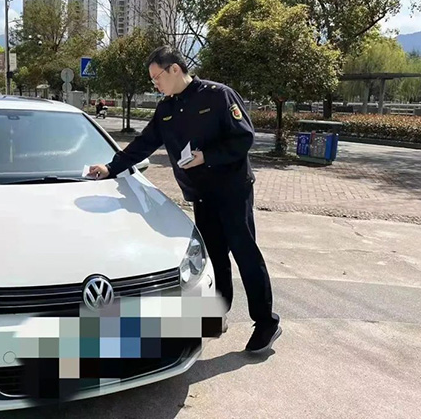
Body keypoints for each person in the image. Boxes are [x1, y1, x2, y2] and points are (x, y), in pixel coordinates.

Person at [87, 46, 281, 353]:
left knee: (245, 253)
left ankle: (266, 323)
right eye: (152, 79)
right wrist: (112, 167)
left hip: (232, 191)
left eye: (157, 77)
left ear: (175, 69)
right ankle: (218, 313)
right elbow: (144, 143)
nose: (155, 84)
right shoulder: (166, 108)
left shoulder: (218, 96)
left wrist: (208, 156)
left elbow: (244, 138)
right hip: (201, 195)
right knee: (214, 258)